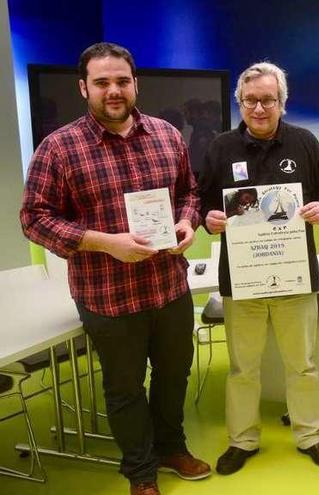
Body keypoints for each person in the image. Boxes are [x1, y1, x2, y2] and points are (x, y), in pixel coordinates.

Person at [20, 42, 210, 495]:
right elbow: (34, 218)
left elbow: (190, 192)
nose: (113, 90)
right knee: (125, 388)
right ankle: (140, 472)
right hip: (108, 295)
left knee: (173, 374)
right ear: (84, 87)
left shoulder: (166, 135)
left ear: (135, 84)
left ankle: (171, 447)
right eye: (102, 82)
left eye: (122, 81)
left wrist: (187, 221)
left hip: (168, 287)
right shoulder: (59, 148)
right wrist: (105, 243)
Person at [197, 62, 319, 475]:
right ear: (239, 102)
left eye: (268, 99)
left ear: (283, 102)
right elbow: (201, 201)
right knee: (243, 367)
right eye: (251, 100)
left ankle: (311, 435)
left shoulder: (305, 143)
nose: (259, 108)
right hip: (242, 280)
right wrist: (209, 218)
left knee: (302, 364)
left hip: (294, 275)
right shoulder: (221, 147)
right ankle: (242, 440)